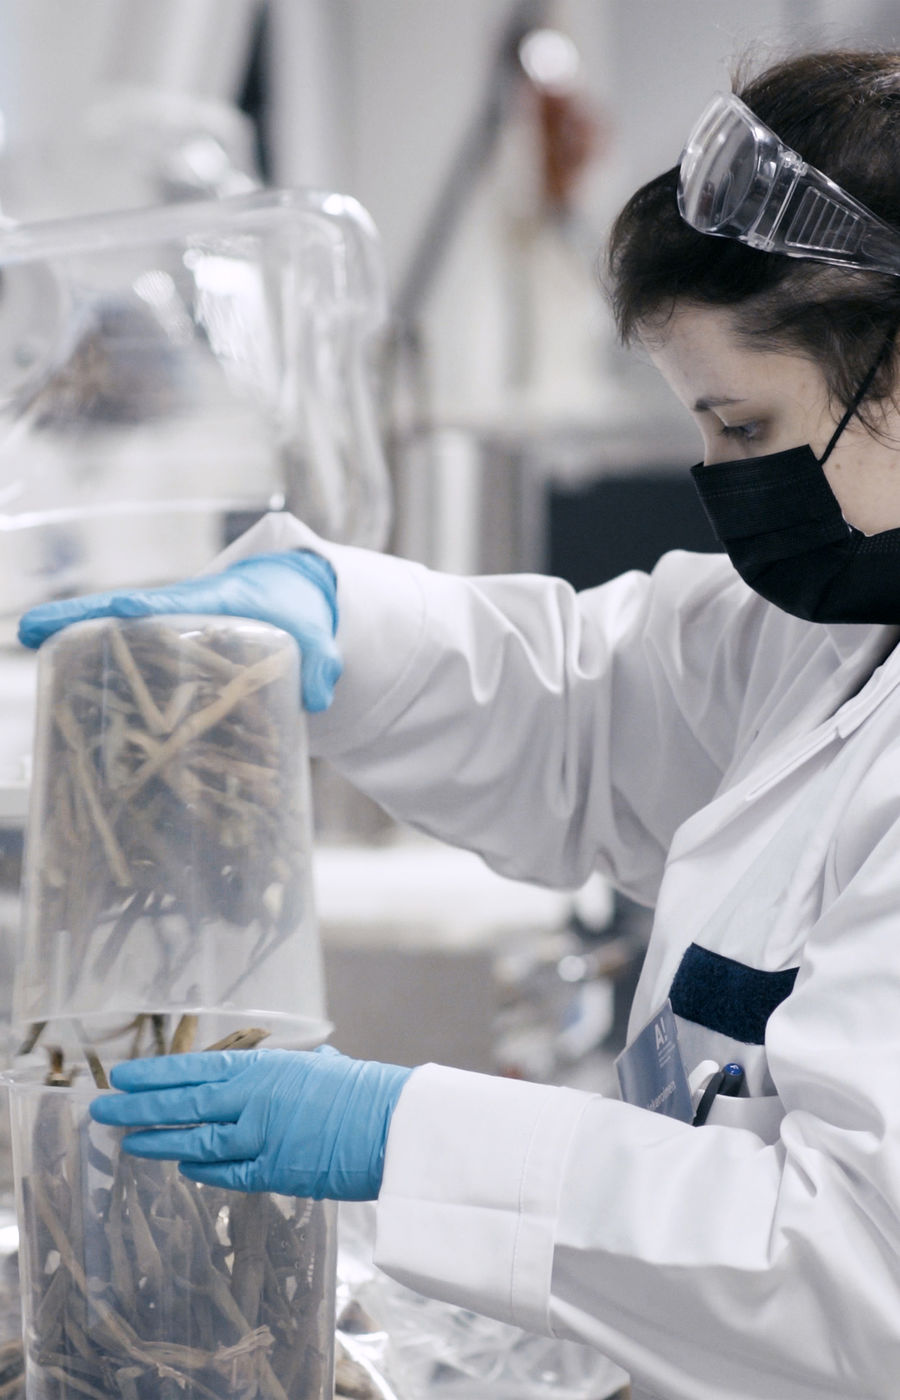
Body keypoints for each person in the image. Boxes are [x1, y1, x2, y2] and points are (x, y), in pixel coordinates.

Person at [17, 46, 900, 1400]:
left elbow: (853, 1273)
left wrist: (404, 1136)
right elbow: (587, 708)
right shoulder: (831, 630)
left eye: (742, 420)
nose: (720, 480)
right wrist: (330, 624)